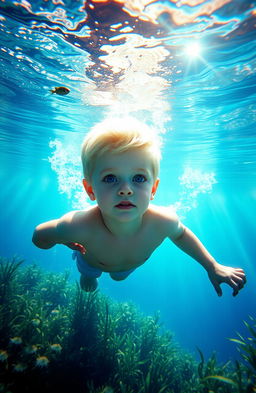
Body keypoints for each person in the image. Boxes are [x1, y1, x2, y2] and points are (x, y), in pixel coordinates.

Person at [32, 118, 246, 295]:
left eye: (138, 178)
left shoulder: (164, 221)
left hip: (129, 267)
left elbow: (181, 234)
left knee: (118, 277)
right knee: (90, 275)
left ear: (154, 188)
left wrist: (212, 266)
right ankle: (87, 275)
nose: (126, 189)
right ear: (90, 189)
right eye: (109, 178)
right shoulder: (79, 226)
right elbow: (38, 237)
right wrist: (63, 238)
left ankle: (115, 274)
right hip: (93, 263)